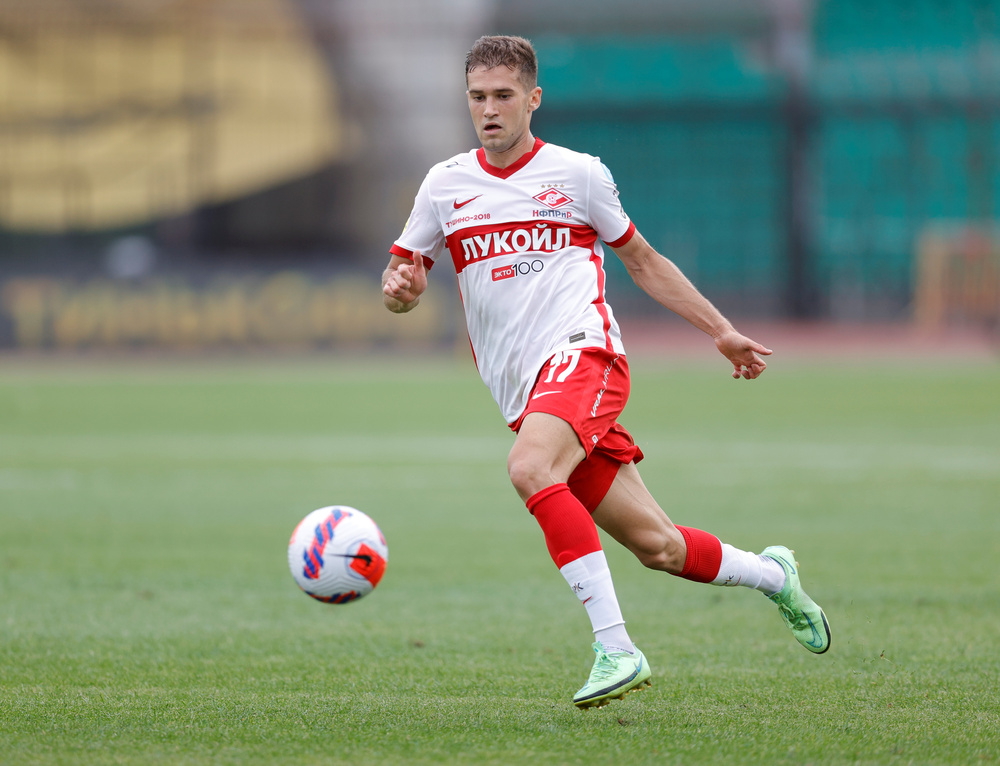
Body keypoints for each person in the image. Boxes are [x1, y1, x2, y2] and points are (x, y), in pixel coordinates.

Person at [382, 34, 831, 709]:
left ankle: (616, 648)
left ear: (533, 98)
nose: (490, 109)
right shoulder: (444, 184)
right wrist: (402, 290)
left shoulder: (578, 173)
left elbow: (643, 260)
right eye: (478, 97)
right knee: (660, 547)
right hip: (526, 392)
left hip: (584, 354)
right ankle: (775, 576)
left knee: (530, 468)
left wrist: (721, 331)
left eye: (504, 95)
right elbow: (403, 278)